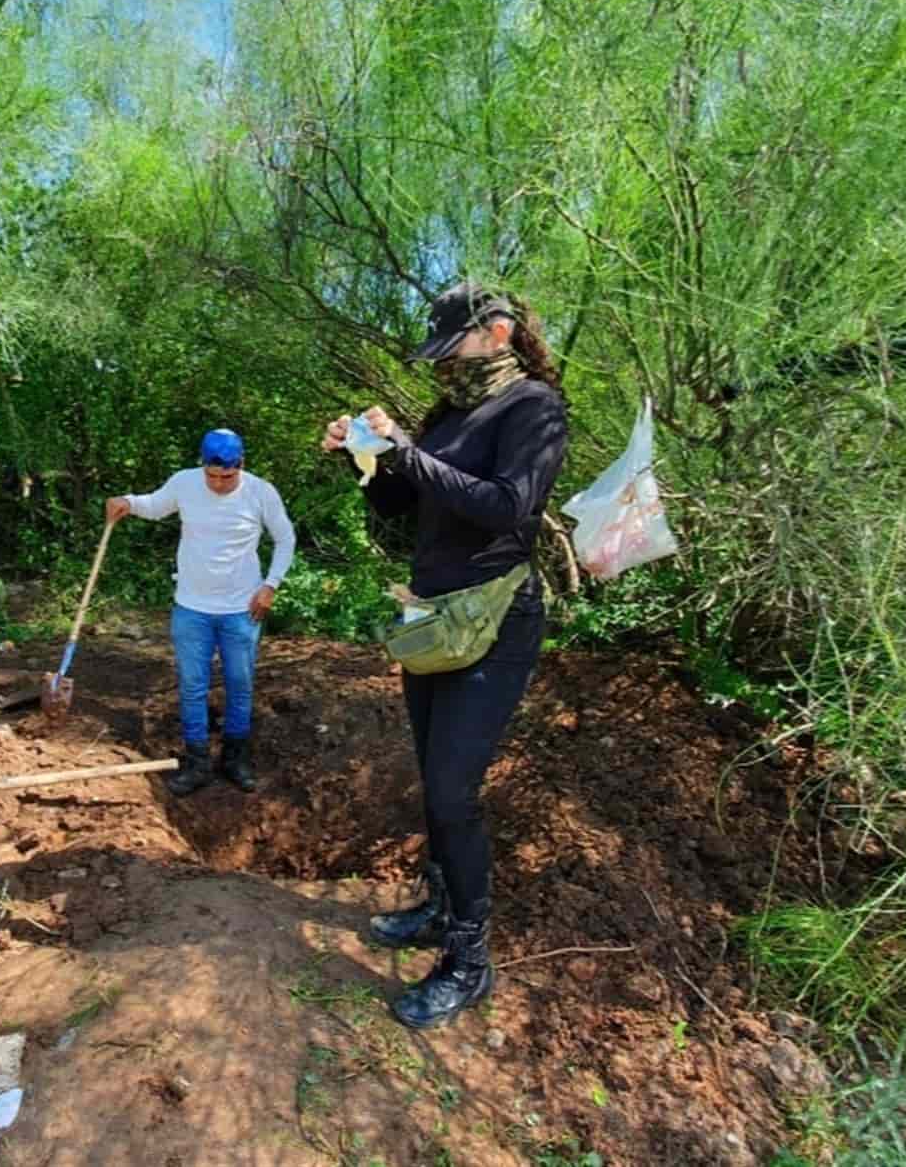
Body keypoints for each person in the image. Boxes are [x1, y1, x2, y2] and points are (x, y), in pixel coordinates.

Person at [320, 282, 567, 1029]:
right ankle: (437, 905)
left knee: (455, 791)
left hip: (493, 621)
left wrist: (408, 454)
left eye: (452, 344)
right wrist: (364, 458)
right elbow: (401, 509)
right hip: (435, 619)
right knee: (434, 780)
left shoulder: (535, 408)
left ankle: (470, 960)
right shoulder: (452, 409)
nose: (443, 362)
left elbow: (505, 504)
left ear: (496, 333)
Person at [107, 429, 296, 797]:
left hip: (242, 610)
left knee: (239, 686)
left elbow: (285, 537)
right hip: (192, 608)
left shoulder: (261, 491)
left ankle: (234, 760)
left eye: (228, 476)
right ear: (203, 466)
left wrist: (270, 585)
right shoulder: (185, 483)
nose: (220, 483)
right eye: (213, 476)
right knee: (193, 687)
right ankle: (197, 763)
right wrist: (127, 502)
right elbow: (156, 504)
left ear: (241, 465)